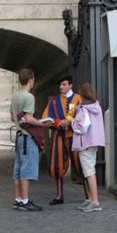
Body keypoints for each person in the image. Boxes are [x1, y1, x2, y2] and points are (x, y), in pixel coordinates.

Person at [42, 75, 87, 205]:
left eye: (64, 84)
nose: (61, 87)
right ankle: (59, 196)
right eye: (60, 85)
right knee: (57, 166)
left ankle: (89, 196)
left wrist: (70, 122)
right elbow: (47, 118)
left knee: (80, 165)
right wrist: (57, 123)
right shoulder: (54, 100)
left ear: (70, 85)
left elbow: (84, 117)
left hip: (75, 136)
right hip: (59, 136)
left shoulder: (78, 99)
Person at [10, 69, 50, 212]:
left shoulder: (15, 96)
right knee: (26, 171)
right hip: (28, 137)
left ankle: (18, 200)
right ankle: (25, 201)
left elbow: (11, 117)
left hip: (19, 137)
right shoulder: (29, 97)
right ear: (31, 80)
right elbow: (28, 118)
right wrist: (43, 124)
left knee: (18, 170)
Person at [71, 83, 105, 212]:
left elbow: (81, 126)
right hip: (94, 142)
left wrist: (71, 122)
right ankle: (90, 200)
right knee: (90, 170)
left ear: (81, 94)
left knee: (89, 172)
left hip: (85, 143)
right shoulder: (96, 106)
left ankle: (95, 202)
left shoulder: (83, 108)